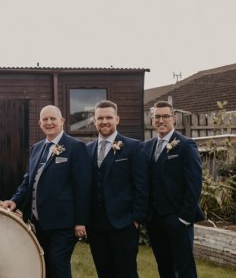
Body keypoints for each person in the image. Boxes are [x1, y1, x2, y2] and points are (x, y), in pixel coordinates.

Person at [3, 105, 91, 278]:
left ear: (62, 121)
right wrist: (14, 200)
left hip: (63, 223)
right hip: (38, 222)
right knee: (42, 265)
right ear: (40, 123)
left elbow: (83, 187)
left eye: (53, 119)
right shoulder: (37, 148)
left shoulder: (76, 147)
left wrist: (81, 221)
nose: (49, 122)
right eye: (45, 119)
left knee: (58, 265)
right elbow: (28, 181)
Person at [85, 100, 149, 278]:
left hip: (124, 224)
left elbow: (142, 185)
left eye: (108, 117)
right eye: (100, 118)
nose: (104, 121)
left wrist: (136, 219)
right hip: (96, 225)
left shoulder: (134, 147)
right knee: (103, 272)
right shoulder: (87, 149)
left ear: (117, 119)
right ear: (94, 120)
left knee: (126, 272)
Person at [144, 101, 204, 278]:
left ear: (174, 119)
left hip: (178, 219)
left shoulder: (186, 145)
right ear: (152, 119)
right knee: (164, 267)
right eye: (157, 117)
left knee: (184, 268)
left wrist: (184, 218)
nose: (161, 120)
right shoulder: (146, 147)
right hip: (154, 220)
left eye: (165, 116)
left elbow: (194, 183)